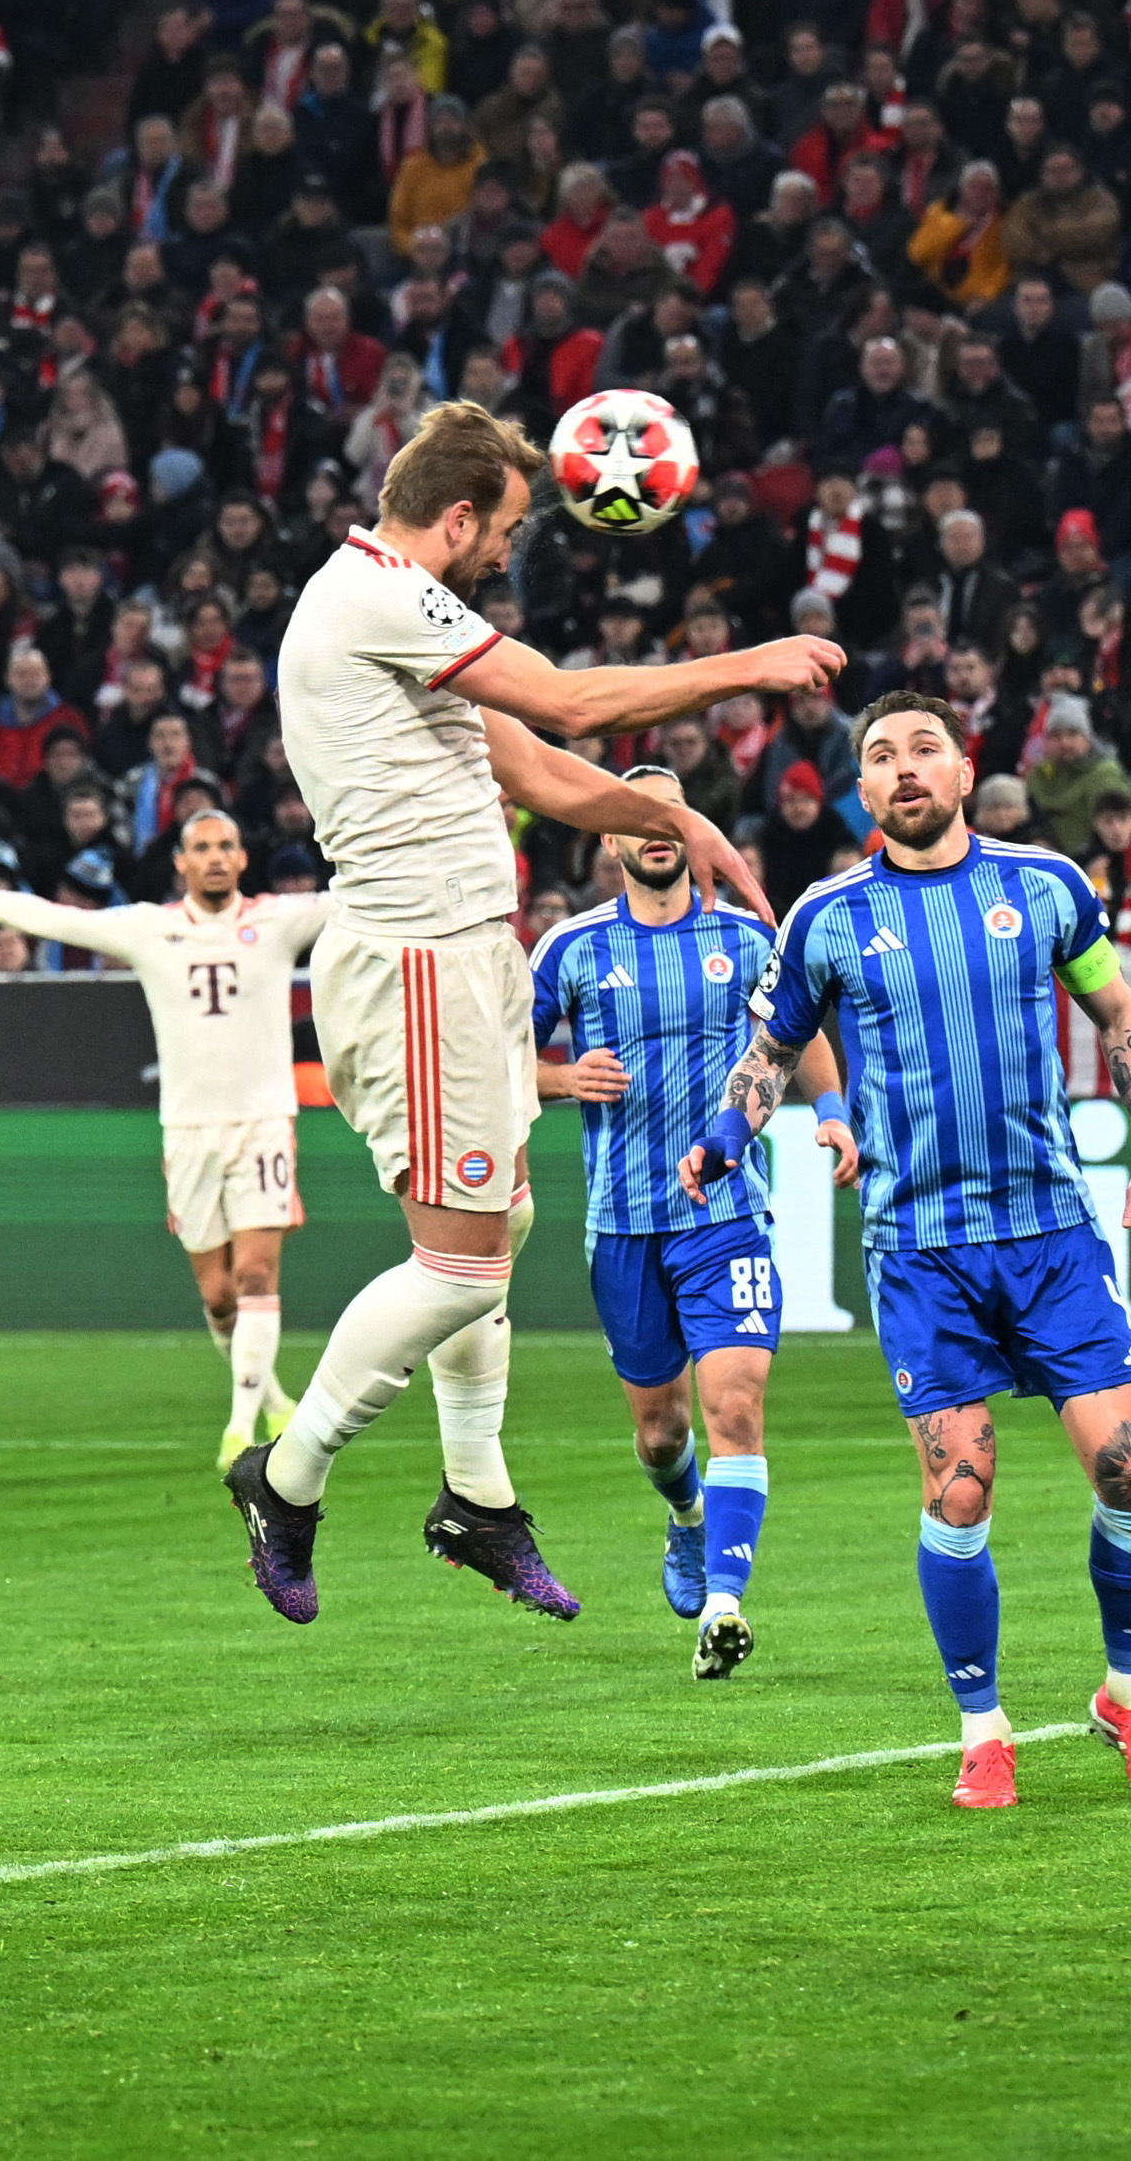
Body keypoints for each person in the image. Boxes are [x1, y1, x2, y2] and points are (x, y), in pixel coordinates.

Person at [224, 402, 844, 1628]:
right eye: (503, 526)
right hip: (415, 963)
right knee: (458, 1263)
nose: (509, 551)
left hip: (467, 959)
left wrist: (677, 820)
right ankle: (284, 1479)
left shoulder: (404, 614)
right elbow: (565, 706)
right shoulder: (380, 599)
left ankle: (476, 1497)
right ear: (456, 517)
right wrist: (744, 663)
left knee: (499, 1221)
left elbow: (541, 772)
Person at [701, 692, 1131, 1811]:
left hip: (1051, 1233)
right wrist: (727, 1132)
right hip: (922, 1249)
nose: (905, 767)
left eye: (926, 748)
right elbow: (772, 1047)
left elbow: (1123, 1018)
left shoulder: (1047, 885)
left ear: (966, 772)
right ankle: (985, 1726)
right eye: (880, 756)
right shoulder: (826, 916)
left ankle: (1129, 1691)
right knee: (960, 1491)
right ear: (863, 792)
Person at [533, 766, 854, 1680]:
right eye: (637, 813)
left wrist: (829, 1107)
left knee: (737, 1410)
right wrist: (563, 1079)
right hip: (624, 1223)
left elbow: (795, 1032)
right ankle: (686, 1519)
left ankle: (723, 1602)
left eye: (672, 810)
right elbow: (499, 1063)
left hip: (728, 1215)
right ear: (610, 838)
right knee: (662, 1435)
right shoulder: (570, 948)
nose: (657, 828)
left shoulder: (746, 935)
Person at [0, 811, 325, 1467]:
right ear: (180, 863)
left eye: (226, 846)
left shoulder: (279, 919)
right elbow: (50, 917)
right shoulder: (151, 928)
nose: (214, 857)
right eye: (201, 847)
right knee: (217, 1294)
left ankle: (243, 1430)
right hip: (186, 1129)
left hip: (264, 1120)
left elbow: (367, 894)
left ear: (242, 860)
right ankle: (269, 1397)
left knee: (257, 1270)